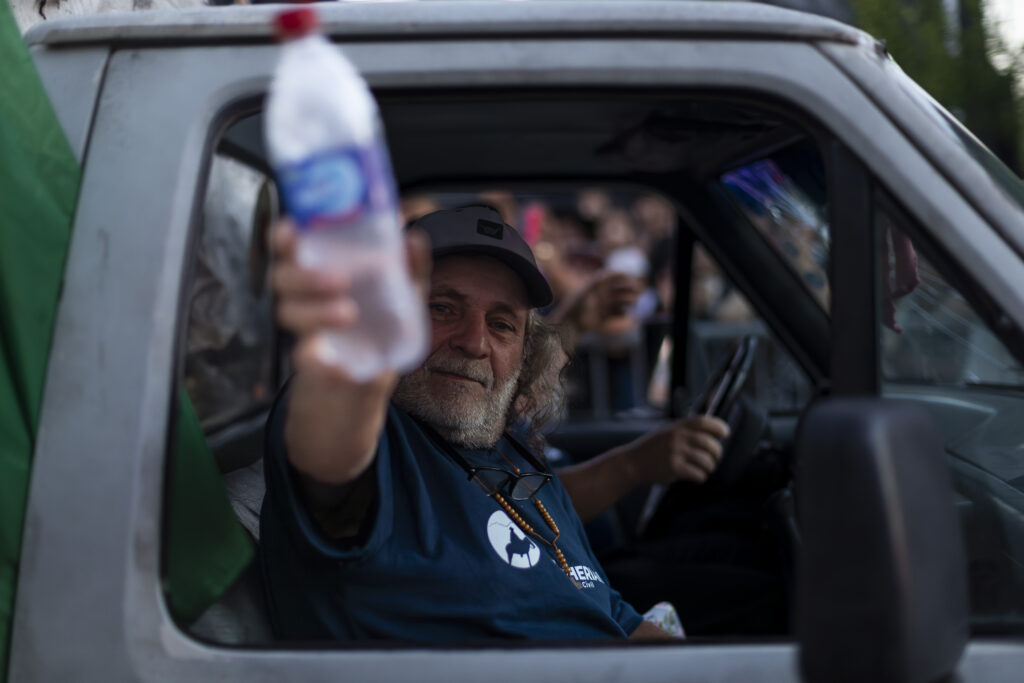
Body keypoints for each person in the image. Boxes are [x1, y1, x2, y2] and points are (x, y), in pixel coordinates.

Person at [260, 205, 728, 642]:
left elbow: (618, 619)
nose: (474, 342)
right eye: (441, 308)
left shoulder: (501, 444)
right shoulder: (380, 443)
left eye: (502, 323)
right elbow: (331, 452)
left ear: (525, 354)